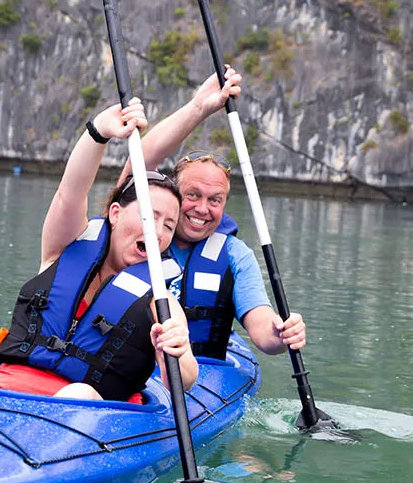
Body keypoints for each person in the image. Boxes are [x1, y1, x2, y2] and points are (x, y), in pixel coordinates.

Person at [0, 99, 197, 403]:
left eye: (169, 225)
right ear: (115, 213)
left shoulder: (161, 303)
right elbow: (70, 193)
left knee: (80, 392)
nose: (158, 232)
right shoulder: (64, 249)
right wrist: (98, 131)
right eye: (149, 216)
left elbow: (186, 377)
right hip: (1, 395)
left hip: (86, 411)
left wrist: (176, 352)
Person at [121, 66, 307, 360]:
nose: (202, 209)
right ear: (173, 194)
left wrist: (281, 332)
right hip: (131, 365)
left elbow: (262, 328)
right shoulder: (140, 236)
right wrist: (199, 108)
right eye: (192, 195)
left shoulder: (235, 256)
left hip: (202, 371)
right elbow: (139, 162)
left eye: (215, 200)